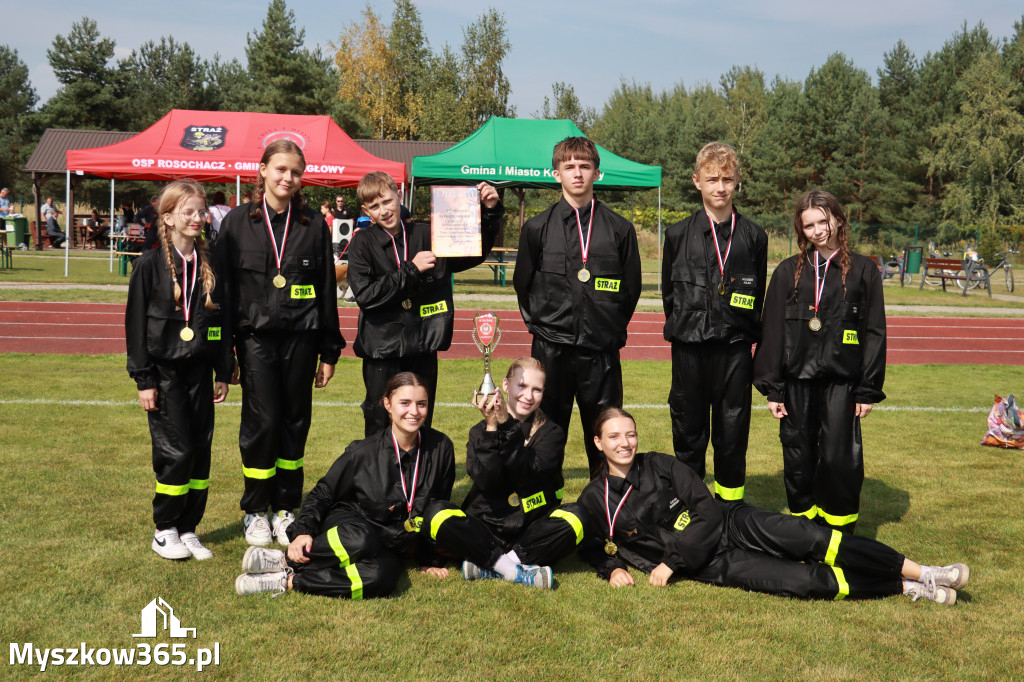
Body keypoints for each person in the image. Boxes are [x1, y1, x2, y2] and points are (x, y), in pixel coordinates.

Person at [577, 407, 968, 605]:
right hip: (711, 563)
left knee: (812, 537)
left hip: (729, 525)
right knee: (804, 582)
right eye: (614, 437)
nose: (625, 443)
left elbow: (707, 510)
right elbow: (590, 542)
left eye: (630, 434)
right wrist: (611, 569)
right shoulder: (595, 497)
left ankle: (926, 570)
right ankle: (905, 586)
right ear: (598, 443)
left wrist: (670, 562)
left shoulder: (659, 462)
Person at [218, 139, 346, 547]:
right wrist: (224, 355)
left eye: (294, 171)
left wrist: (329, 350)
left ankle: (286, 508)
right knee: (263, 423)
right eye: (280, 169)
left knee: (295, 422)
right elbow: (221, 294)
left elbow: (326, 290)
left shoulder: (312, 225)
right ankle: (255, 510)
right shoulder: (236, 223)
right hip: (254, 340)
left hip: (302, 340)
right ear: (262, 170)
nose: (287, 178)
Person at [234, 373, 455, 598]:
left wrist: (430, 560)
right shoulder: (362, 452)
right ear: (388, 404)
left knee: (382, 578)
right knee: (361, 539)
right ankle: (284, 559)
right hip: (355, 525)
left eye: (422, 404)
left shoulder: (441, 448)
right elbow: (322, 493)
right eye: (405, 403)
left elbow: (438, 507)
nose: (414, 412)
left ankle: (287, 579)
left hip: (391, 543)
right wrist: (303, 532)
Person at [753, 190, 886, 533]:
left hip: (841, 385)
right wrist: (773, 389)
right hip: (796, 384)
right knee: (798, 458)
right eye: (809, 225)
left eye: (823, 221)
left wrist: (867, 390)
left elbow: (874, 332)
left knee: (839, 461)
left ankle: (839, 533)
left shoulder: (863, 271)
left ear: (838, 220)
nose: (818, 230)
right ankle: (804, 531)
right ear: (801, 230)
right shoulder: (787, 272)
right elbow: (772, 332)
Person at [513, 136, 642, 478]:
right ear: (556, 174)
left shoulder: (620, 229)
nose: (577, 174)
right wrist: (544, 327)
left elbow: (631, 290)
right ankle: (545, 504)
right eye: (569, 167)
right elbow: (522, 285)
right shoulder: (536, 228)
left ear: (597, 173)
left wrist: (607, 326)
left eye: (585, 166)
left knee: (604, 431)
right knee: (545, 429)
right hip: (550, 349)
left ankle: (606, 503)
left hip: (600, 351)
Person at [347, 171, 502, 437]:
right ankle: (379, 477)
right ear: (366, 210)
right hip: (382, 351)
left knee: (419, 419)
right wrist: (412, 270)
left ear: (399, 194)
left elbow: (472, 253)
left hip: (422, 346)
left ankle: (417, 477)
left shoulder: (428, 233)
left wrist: (489, 212)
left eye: (387, 201)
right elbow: (366, 295)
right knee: (379, 420)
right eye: (374, 206)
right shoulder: (362, 243)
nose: (384, 210)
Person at [125, 179, 232, 561]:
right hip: (165, 374)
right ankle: (164, 528)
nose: (197, 218)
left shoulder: (210, 264)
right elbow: (136, 327)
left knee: (200, 452)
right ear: (167, 217)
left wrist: (223, 369)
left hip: (200, 373)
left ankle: (188, 528)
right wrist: (144, 379)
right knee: (177, 451)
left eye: (201, 211)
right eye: (188, 212)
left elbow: (223, 322)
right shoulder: (149, 266)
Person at [661, 142, 768, 503]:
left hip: (735, 350)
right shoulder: (677, 234)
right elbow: (669, 296)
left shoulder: (754, 236)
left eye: (727, 179)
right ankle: (691, 505)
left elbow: (759, 296)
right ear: (697, 182)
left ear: (737, 181)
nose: (720, 187)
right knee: (688, 429)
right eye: (712, 179)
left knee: (732, 430)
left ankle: (729, 506)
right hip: (689, 348)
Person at [426, 357, 589, 588]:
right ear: (504, 385)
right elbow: (486, 480)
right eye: (521, 386)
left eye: (537, 389)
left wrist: (506, 424)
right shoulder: (479, 432)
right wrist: (492, 429)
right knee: (436, 513)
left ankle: (493, 565)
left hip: (529, 531)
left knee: (579, 516)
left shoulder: (551, 433)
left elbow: (527, 475)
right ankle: (515, 569)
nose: (528, 396)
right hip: (484, 529)